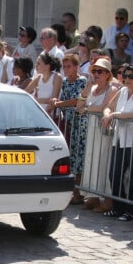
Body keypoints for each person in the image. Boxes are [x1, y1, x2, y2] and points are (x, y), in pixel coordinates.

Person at [101, 63, 133, 222]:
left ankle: (131, 210)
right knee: (114, 173)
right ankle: (118, 207)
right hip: (120, 138)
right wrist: (108, 114)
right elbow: (108, 106)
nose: (127, 79)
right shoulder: (121, 91)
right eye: (125, 75)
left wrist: (114, 114)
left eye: (130, 76)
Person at [77, 57, 119, 212]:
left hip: (103, 131)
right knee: (91, 161)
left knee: (102, 162)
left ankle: (105, 199)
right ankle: (92, 196)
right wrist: (87, 88)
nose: (96, 74)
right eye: (94, 71)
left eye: (100, 71)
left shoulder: (112, 89)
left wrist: (86, 110)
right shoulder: (92, 88)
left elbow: (104, 107)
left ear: (108, 73)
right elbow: (79, 104)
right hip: (91, 130)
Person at [51, 54, 87, 204]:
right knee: (71, 156)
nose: (66, 69)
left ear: (76, 67)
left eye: (69, 66)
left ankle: (78, 191)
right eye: (64, 66)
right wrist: (56, 101)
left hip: (80, 124)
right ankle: (72, 190)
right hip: (69, 124)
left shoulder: (82, 81)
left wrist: (59, 104)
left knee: (79, 158)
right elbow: (63, 98)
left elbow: (77, 101)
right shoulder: (65, 82)